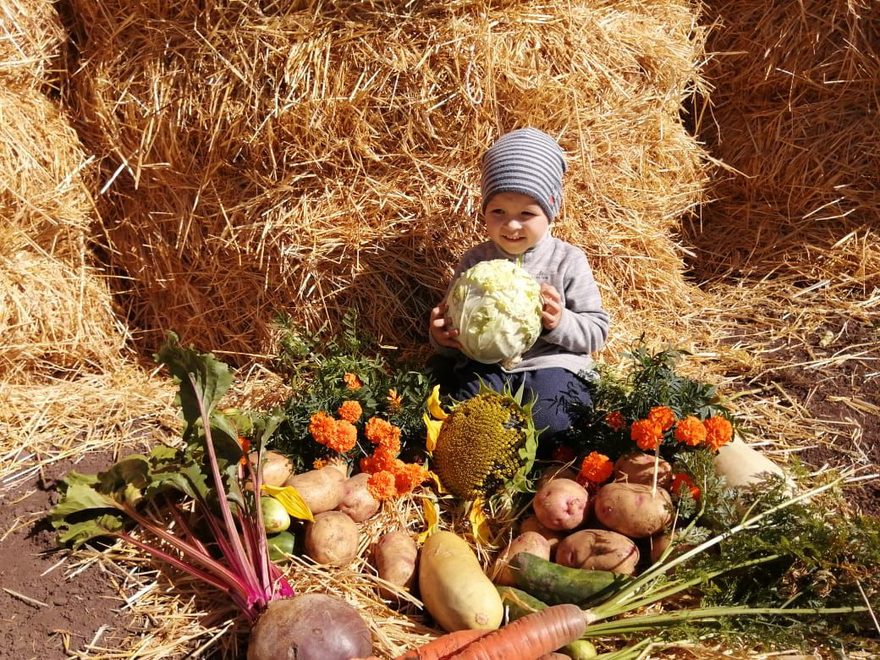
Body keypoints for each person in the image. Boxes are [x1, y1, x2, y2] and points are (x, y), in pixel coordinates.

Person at [428, 127, 610, 445]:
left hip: (552, 364)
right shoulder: (475, 261)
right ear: (484, 211)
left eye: (526, 213)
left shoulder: (568, 260)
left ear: (551, 211)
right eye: (498, 211)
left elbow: (596, 332)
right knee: (462, 418)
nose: (511, 225)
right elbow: (455, 325)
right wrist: (441, 337)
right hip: (487, 367)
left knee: (555, 420)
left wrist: (560, 322)